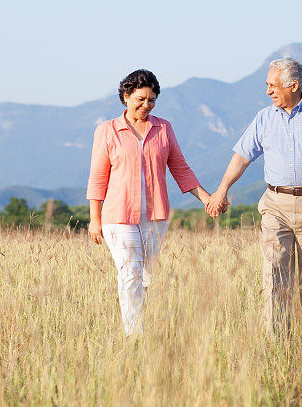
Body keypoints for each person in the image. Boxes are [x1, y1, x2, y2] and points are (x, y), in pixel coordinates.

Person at [206, 57, 302, 335]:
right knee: (274, 272)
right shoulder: (263, 118)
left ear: (294, 85)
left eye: (273, 85)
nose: (268, 91)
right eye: (267, 85)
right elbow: (241, 157)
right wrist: (222, 189)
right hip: (274, 203)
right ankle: (277, 343)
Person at [87, 69, 211, 336]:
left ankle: (142, 325)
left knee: (147, 277)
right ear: (126, 96)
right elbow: (98, 176)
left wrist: (206, 198)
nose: (146, 105)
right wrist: (94, 219)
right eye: (140, 99)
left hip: (155, 216)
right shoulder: (107, 130)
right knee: (130, 272)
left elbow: (179, 167)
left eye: (152, 100)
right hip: (118, 217)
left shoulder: (163, 128)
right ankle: (135, 335)